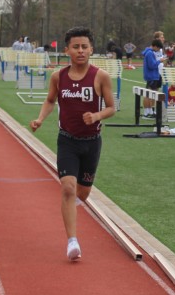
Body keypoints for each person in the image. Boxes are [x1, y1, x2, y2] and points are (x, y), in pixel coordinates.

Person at [29, 27, 116, 261]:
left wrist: (96, 116)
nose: (80, 51)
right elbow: (50, 101)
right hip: (67, 140)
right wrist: (40, 119)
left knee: (83, 193)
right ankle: (72, 241)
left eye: (84, 47)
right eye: (75, 47)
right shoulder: (58, 77)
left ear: (91, 50)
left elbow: (111, 108)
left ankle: (67, 209)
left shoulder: (100, 77)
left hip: (92, 143)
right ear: (67, 50)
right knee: (68, 188)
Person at [141, 39, 163, 117]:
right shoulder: (150, 53)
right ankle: (146, 113)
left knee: (151, 95)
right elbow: (152, 65)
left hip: (153, 76)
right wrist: (160, 61)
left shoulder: (150, 52)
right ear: (155, 46)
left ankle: (150, 111)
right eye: (158, 48)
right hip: (151, 76)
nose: (158, 50)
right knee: (148, 95)